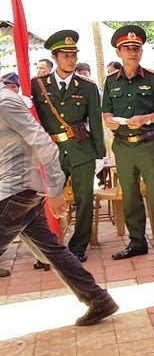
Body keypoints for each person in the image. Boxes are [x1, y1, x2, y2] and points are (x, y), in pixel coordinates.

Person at [0, 87, 119, 323]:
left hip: (16, 190)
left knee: (52, 251)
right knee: (52, 252)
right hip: (20, 189)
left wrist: (55, 188)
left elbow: (44, 142)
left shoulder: (4, 102)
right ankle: (98, 299)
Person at [102, 25, 154, 266]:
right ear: (119, 52)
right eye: (128, 49)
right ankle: (136, 242)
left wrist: (145, 119)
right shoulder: (111, 81)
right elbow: (106, 110)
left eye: (137, 48)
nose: (133, 52)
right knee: (130, 196)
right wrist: (110, 122)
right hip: (122, 146)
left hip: (148, 144)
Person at [30, 31, 104, 263]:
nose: (71, 59)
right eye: (65, 55)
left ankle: (78, 247)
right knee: (44, 200)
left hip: (81, 149)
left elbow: (95, 122)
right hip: (50, 152)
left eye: (73, 55)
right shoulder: (38, 86)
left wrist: (99, 154)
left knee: (84, 200)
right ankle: (45, 248)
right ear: (55, 57)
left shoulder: (88, 87)